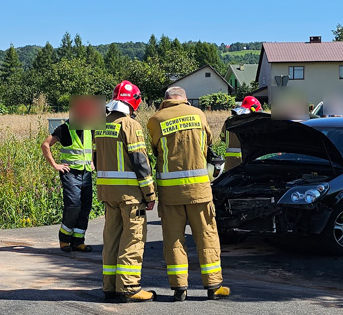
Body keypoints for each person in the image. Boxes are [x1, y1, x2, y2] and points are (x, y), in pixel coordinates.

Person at [147, 86, 229, 302]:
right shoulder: (199, 114)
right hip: (200, 192)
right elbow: (209, 144)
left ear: (165, 100)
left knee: (174, 240)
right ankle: (213, 286)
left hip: (171, 193)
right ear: (184, 100)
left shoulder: (155, 120)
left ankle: (179, 288)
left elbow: (156, 151)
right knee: (206, 237)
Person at [94, 81, 157, 302]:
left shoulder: (101, 124)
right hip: (130, 195)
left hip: (108, 194)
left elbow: (96, 157)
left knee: (111, 240)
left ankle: (110, 287)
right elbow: (140, 162)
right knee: (132, 240)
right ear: (135, 101)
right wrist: (149, 194)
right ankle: (129, 288)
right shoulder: (130, 125)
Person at [41, 117, 94, 253]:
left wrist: (92, 161)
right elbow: (45, 144)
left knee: (85, 207)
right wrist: (55, 165)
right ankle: (64, 239)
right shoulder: (64, 129)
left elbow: (90, 147)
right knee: (73, 206)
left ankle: (78, 241)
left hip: (86, 173)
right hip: (70, 173)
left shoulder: (90, 128)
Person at [220, 95, 262, 172]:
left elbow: (222, 137)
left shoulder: (229, 121)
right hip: (245, 161)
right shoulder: (250, 121)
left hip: (230, 163)